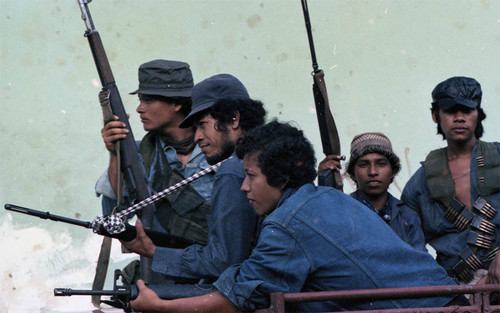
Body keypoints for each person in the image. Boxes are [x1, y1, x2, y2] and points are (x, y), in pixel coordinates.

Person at [130, 120, 465, 313]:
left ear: (279, 178)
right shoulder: (323, 199)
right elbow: (250, 277)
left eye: (252, 176)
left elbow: (235, 299)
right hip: (455, 303)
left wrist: (160, 307)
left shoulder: (287, 223)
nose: (244, 188)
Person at [122, 73, 266, 285]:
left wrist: (152, 251)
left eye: (203, 124)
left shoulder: (233, 170)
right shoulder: (269, 154)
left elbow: (223, 262)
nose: (197, 136)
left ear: (234, 119)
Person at [94, 60, 215, 284]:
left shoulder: (217, 148)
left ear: (177, 104)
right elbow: (114, 216)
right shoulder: (140, 154)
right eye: (141, 100)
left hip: (215, 277)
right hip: (161, 279)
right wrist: (115, 154)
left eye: (148, 100)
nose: (140, 108)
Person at [402, 76, 500, 285]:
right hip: (458, 291)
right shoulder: (419, 185)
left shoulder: (498, 158)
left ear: (478, 114)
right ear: (435, 116)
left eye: (467, 110)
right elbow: (411, 250)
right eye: (450, 111)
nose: (459, 118)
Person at [318, 133, 427, 251]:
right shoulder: (341, 212)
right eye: (363, 164)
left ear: (393, 172)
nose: (373, 171)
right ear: (353, 174)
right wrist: (324, 181)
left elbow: (421, 263)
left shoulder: (407, 217)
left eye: (381, 164)